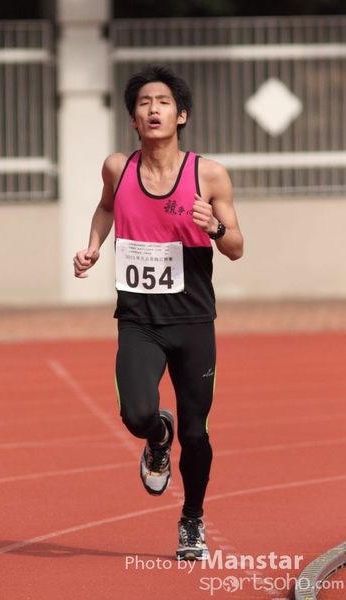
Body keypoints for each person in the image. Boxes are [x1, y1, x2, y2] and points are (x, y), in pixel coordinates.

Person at [73, 64, 244, 561]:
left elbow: (236, 247)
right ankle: (156, 436)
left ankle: (192, 520)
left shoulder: (208, 174)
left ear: (181, 115)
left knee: (196, 432)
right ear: (133, 119)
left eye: (163, 102)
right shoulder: (117, 168)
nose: (153, 109)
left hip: (193, 320)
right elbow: (107, 207)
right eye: (144, 103)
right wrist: (93, 247)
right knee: (137, 414)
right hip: (138, 319)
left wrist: (214, 228)